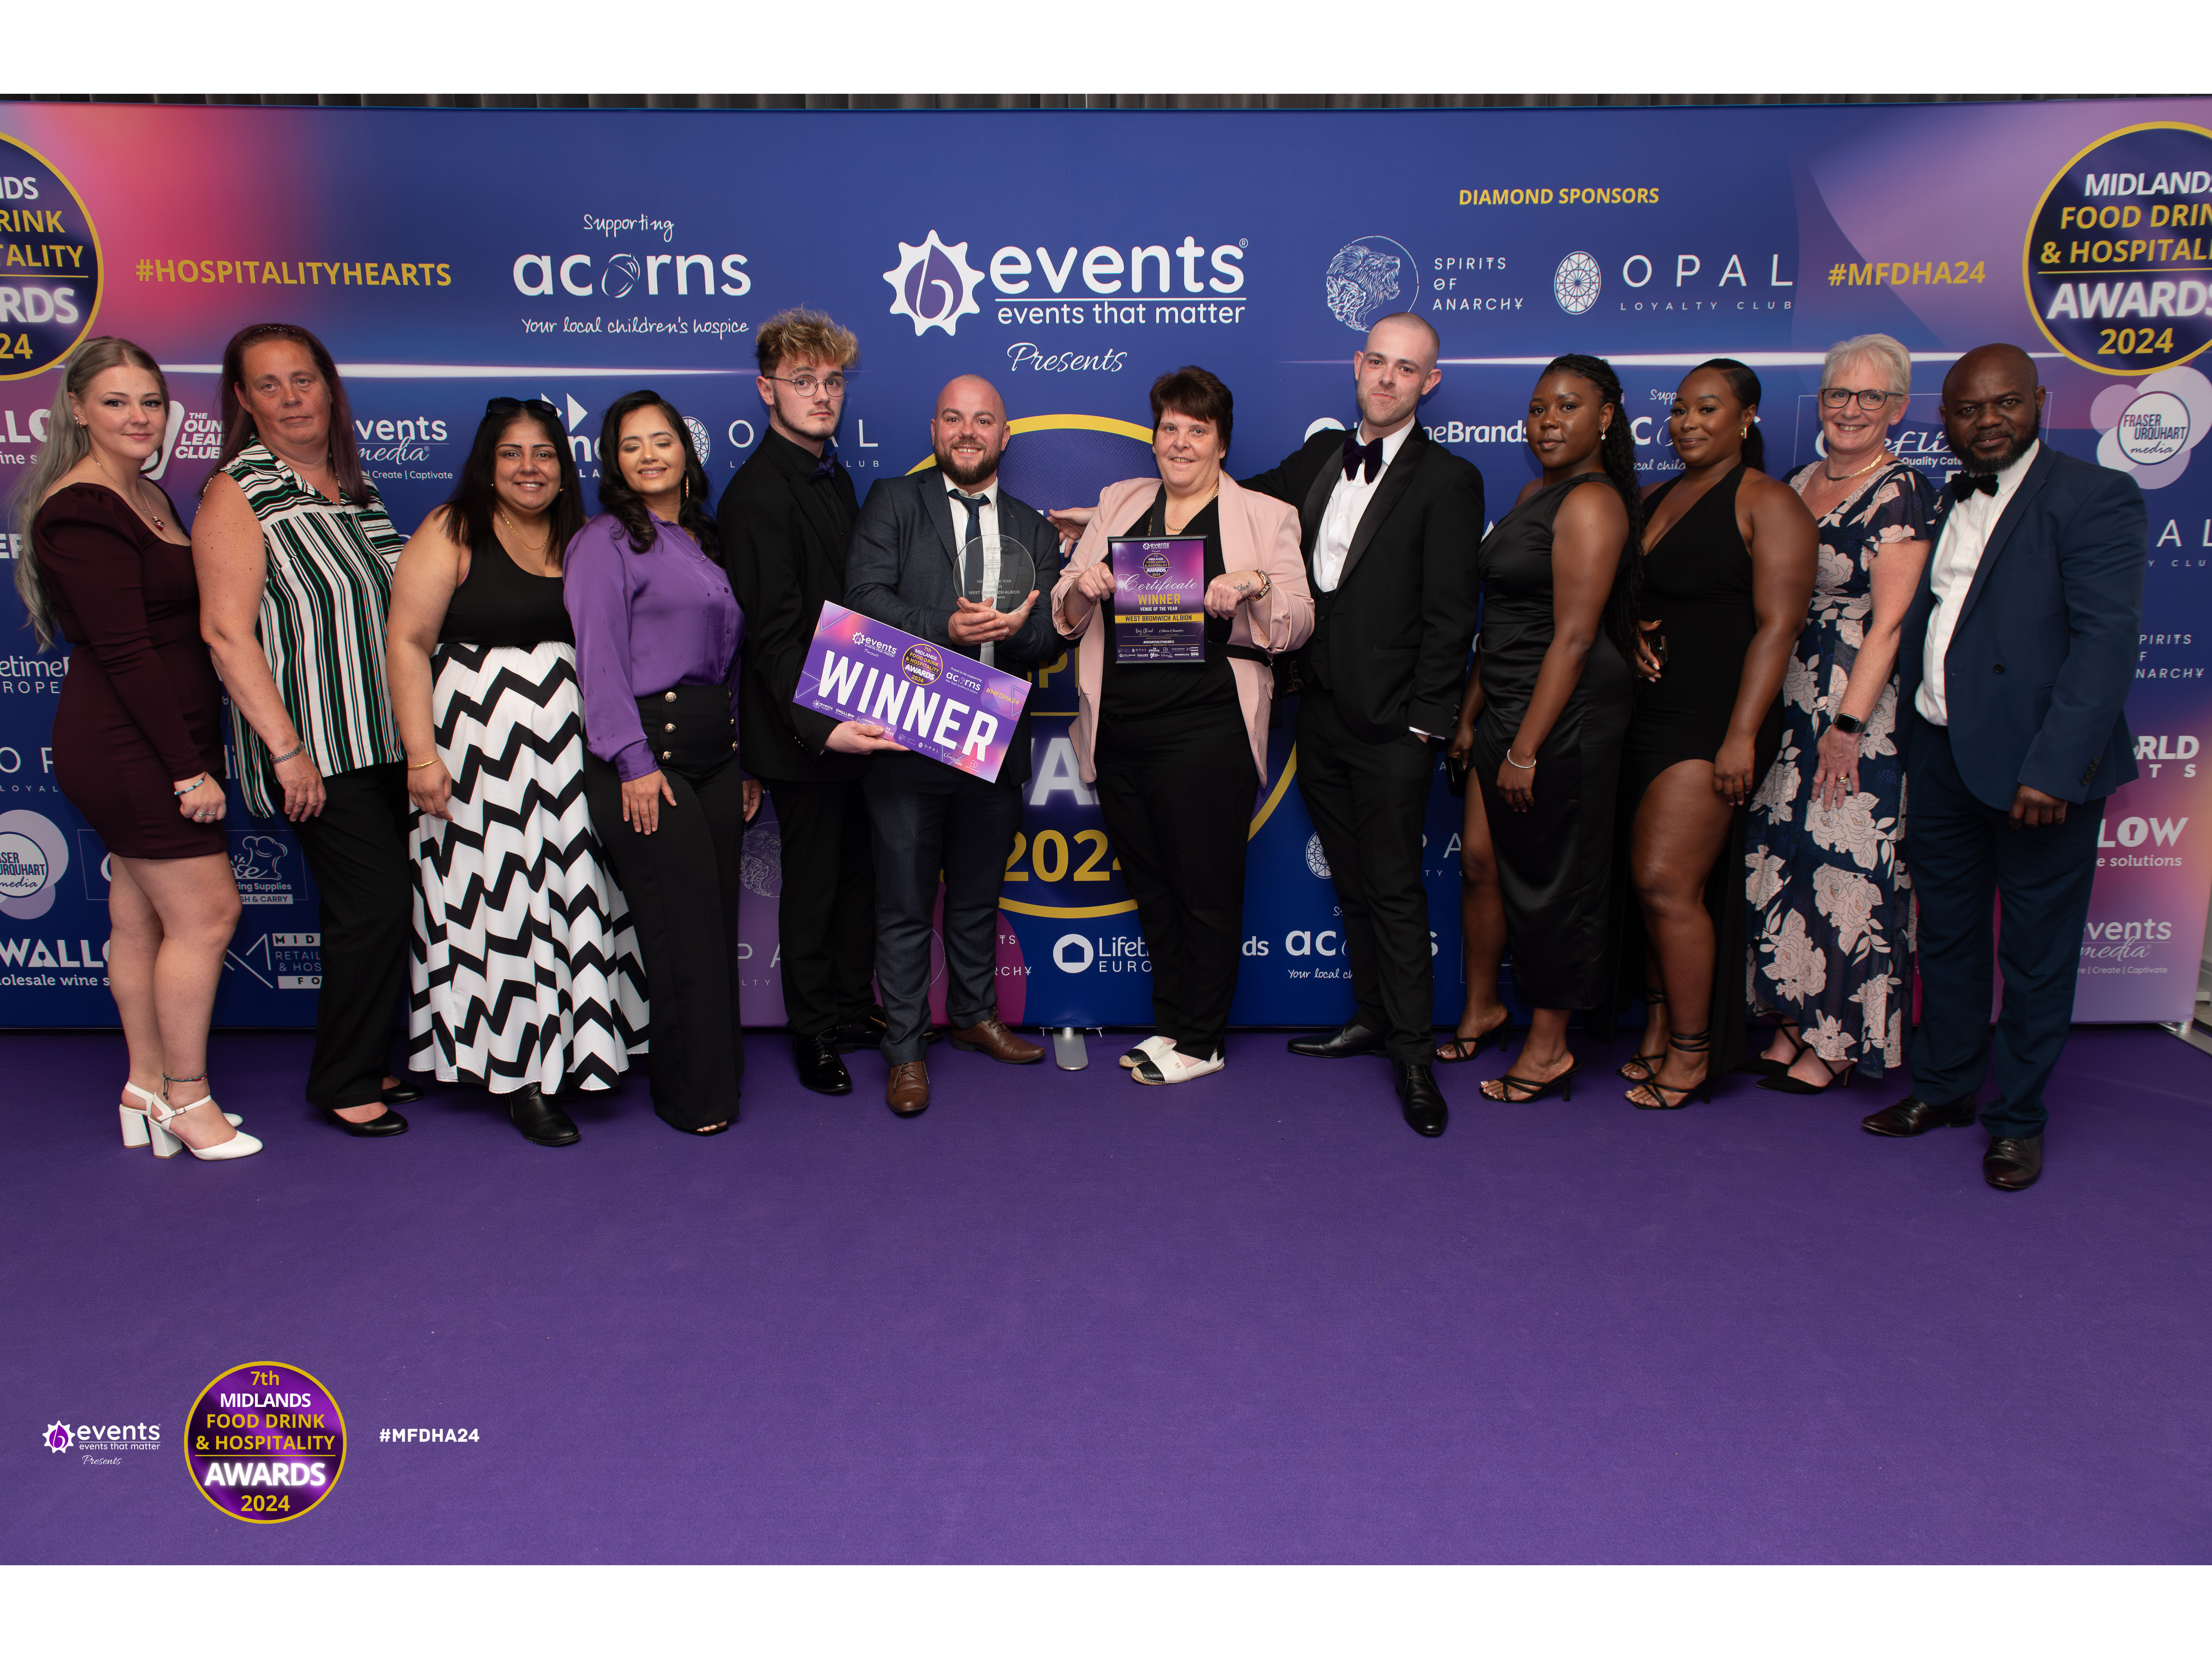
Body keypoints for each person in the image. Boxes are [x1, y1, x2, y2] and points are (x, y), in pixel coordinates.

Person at [1865, 343, 2145, 1191]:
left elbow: (2104, 648)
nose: (1987, 421)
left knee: (2034, 953)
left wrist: (2057, 769)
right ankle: (1946, 1088)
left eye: (2005, 404)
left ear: (2039, 403)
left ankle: (2017, 1119)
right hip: (1943, 751)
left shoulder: (2095, 497)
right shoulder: (1943, 497)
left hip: (2038, 771)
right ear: (1943, 418)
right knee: (1945, 936)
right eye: (1968, 408)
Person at [13, 338, 256, 1162]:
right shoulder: (79, 509)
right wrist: (186, 766)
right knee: (210, 911)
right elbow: (124, 652)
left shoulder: (147, 492)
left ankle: (145, 1085)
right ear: (77, 408)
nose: (139, 417)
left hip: (155, 737)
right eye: (116, 402)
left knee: (142, 917)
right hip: (130, 744)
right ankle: (188, 1097)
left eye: (150, 401)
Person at [1243, 313, 1484, 1137]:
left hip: (1395, 732)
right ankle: (1375, 1018)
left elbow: (1453, 614)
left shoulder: (1450, 480)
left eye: (1406, 369)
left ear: (1430, 383)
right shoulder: (1317, 459)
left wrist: (1428, 726)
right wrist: (1118, 524)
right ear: (1357, 365)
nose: (1387, 379)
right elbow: (1228, 502)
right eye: (1377, 362)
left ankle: (1415, 1060)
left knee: (1393, 891)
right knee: (1353, 887)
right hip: (1322, 717)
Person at [386, 398, 646, 1148]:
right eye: (511, 453)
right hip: (479, 753)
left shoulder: (584, 539)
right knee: (506, 909)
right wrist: (421, 755)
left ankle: (586, 1047)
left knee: (577, 894)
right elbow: (407, 641)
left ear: (566, 470)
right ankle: (521, 1074)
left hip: (571, 751)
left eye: (543, 454)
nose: (529, 468)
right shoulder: (452, 528)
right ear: (486, 464)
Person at [1053, 366, 1312, 1085]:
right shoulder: (1119, 502)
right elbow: (1062, 612)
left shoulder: (1265, 516)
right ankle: (1173, 1024)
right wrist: (1086, 584)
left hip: (1207, 733)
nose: (1180, 442)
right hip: (1121, 731)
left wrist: (1253, 585)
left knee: (1206, 889)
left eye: (1197, 430)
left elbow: (1299, 621)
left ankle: (1203, 1038)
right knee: (1156, 889)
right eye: (1169, 427)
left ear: (1221, 443)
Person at [195, 323, 415, 1138]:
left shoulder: (358, 490)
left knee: (372, 910)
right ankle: (345, 1080)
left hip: (388, 740)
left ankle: (366, 1052)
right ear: (244, 401)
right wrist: (287, 748)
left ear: (330, 387)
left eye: (304, 380)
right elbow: (225, 632)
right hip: (316, 749)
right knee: (376, 902)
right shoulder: (239, 489)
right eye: (270, 385)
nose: (291, 399)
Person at [843, 375, 1063, 1116]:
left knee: (975, 897)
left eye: (983, 421)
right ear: (936, 429)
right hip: (906, 736)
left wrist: (1015, 631)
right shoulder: (892, 503)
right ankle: (906, 1050)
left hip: (992, 740)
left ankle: (972, 1015)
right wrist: (948, 629)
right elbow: (864, 599)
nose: (968, 431)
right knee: (905, 903)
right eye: (954, 419)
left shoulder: (1033, 528)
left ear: (1005, 436)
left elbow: (1049, 635)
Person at [1614, 360, 1816, 1110]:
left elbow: (1779, 627)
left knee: (1668, 884)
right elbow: (1630, 592)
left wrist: (1741, 735)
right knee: (1651, 886)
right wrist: (1631, 627)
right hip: (1646, 714)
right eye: (1680, 410)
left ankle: (1696, 1053)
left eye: (1709, 408)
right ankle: (1663, 1026)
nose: (1689, 422)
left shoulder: (1769, 501)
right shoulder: (1657, 496)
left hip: (1714, 721)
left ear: (1748, 418)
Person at [1441, 354, 1640, 1107]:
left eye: (1567, 407)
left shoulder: (1593, 503)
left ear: (1605, 418)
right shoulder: (1535, 492)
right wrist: (1471, 717)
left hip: (1565, 714)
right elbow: (1503, 626)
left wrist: (1525, 745)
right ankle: (1486, 1006)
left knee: (1556, 882)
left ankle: (1551, 1045)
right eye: (1537, 409)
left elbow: (1575, 637)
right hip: (1506, 703)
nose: (1548, 422)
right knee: (1485, 863)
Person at [717, 309, 901, 1098]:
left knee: (861, 876)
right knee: (818, 884)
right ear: (767, 390)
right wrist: (830, 731)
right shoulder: (758, 496)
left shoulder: (832, 472)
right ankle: (812, 1032)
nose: (822, 396)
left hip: (855, 714)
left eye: (831, 382)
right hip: (808, 732)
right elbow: (776, 635)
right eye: (803, 382)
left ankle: (851, 1005)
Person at [1744, 335, 1936, 1093]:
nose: (1851, 410)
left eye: (1870, 398)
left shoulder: (1902, 493)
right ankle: (1792, 1020)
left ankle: (1839, 1040)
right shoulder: (1793, 483)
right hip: (1784, 697)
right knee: (1782, 857)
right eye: (1838, 395)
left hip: (1857, 707)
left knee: (1846, 866)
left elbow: (1889, 623)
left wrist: (1848, 727)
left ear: (1897, 408)